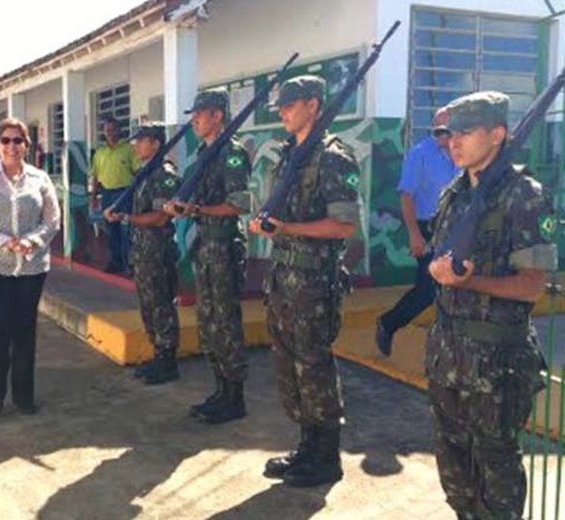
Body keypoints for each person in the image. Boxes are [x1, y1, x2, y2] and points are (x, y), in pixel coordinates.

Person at [425, 91, 553, 519]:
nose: (453, 142)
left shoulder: (525, 195)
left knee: (496, 470)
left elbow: (532, 286)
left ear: (497, 134)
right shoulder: (454, 193)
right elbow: (438, 257)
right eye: (448, 133)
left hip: (496, 362)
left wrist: (470, 280)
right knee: (454, 466)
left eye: (464, 132)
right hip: (448, 355)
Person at [249, 76, 360, 487]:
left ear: (314, 105)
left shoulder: (333, 156)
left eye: (290, 104)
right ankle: (306, 446)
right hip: (283, 278)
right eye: (281, 105)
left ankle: (326, 456)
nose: (282, 112)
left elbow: (344, 225)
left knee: (313, 365)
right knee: (288, 364)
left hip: (313, 281)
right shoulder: (291, 154)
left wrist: (288, 228)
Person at [163, 89, 252, 424]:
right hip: (205, 245)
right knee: (209, 321)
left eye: (200, 113)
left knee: (226, 321)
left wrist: (196, 208)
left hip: (225, 246)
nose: (194, 120)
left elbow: (239, 205)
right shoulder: (203, 153)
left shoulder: (231, 153)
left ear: (217, 116)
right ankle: (220, 388)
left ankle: (235, 395)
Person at [0, 117, 61, 415]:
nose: (11, 146)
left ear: (26, 146)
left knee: (25, 331)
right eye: (5, 140)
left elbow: (52, 220)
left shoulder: (40, 179)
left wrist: (31, 241)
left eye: (18, 140)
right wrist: (5, 241)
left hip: (31, 268)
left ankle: (23, 395)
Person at [375, 108, 458, 356]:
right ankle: (389, 323)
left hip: (458, 227)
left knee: (457, 287)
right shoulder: (420, 154)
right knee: (427, 290)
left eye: (447, 128)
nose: (442, 134)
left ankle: (449, 347)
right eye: (437, 129)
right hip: (428, 227)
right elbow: (406, 194)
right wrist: (414, 234)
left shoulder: (464, 153)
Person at [104, 123, 180, 385]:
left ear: (156, 143)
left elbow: (161, 217)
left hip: (157, 251)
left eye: (142, 141)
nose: (136, 145)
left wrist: (127, 218)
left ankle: (168, 360)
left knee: (161, 305)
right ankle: (158, 353)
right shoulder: (144, 173)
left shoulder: (164, 174)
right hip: (143, 251)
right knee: (148, 306)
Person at [90, 117, 139, 273]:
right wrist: (93, 197)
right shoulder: (99, 152)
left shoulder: (129, 149)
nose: (110, 133)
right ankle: (115, 263)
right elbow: (96, 176)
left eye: (113, 129)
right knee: (111, 230)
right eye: (107, 130)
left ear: (119, 130)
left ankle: (129, 264)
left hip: (125, 193)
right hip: (107, 194)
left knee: (126, 230)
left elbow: (137, 172)